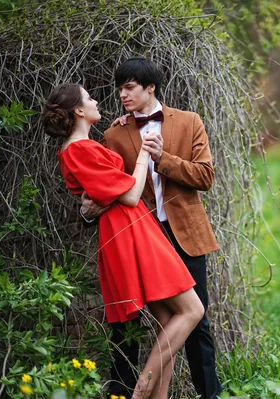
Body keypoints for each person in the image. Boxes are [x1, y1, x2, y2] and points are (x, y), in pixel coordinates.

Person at [42, 83, 205, 399]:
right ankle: (140, 394)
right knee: (192, 310)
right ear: (78, 111)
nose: (96, 100)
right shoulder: (78, 149)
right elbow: (130, 195)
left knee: (170, 319)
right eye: (89, 98)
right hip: (129, 229)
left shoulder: (87, 146)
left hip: (130, 227)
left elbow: (110, 191)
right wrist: (144, 153)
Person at [81, 58, 222, 399]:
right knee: (128, 323)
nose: (122, 94)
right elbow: (107, 190)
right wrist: (89, 208)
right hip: (141, 239)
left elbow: (205, 176)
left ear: (150, 87)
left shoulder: (189, 122)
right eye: (119, 89)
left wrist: (164, 160)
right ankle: (122, 392)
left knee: (196, 323)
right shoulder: (113, 134)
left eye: (129, 87)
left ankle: (209, 396)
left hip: (186, 235)